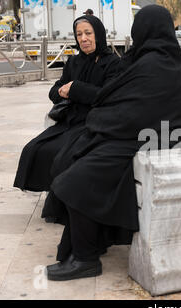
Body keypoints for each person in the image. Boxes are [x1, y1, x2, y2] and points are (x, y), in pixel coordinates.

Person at [44, 4, 181, 281]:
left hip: (149, 140)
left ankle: (86, 259)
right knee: (73, 158)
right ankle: (90, 245)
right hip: (133, 134)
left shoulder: (157, 64)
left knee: (77, 179)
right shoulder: (149, 59)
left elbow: (141, 111)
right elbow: (120, 99)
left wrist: (101, 120)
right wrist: (104, 119)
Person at [13, 16, 120, 198]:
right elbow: (54, 91)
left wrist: (75, 88)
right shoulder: (74, 62)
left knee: (62, 154)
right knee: (34, 148)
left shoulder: (113, 63)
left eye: (88, 33)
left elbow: (106, 95)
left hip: (94, 122)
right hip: (70, 120)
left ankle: (65, 198)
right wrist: (63, 91)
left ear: (98, 35)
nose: (83, 39)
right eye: (79, 34)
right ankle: (55, 194)